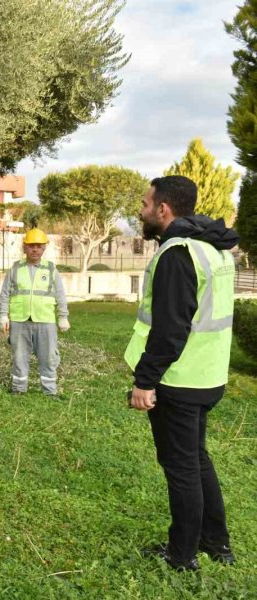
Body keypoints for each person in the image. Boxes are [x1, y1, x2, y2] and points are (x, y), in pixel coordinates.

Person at [127, 175, 238, 571]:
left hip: (181, 379)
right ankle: (215, 543)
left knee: (182, 468)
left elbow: (171, 328)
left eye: (144, 203)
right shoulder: (213, 247)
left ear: (163, 209)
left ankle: (182, 555)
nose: (140, 210)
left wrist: (144, 381)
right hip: (209, 376)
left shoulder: (177, 253)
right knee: (197, 459)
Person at [0, 228, 70, 395]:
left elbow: (60, 294)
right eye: (31, 246)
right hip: (19, 320)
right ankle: (19, 389)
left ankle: (49, 391)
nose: (35, 249)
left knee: (49, 358)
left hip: (45, 321)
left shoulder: (51, 269)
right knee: (19, 357)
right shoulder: (15, 269)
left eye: (39, 246)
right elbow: (5, 294)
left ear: (44, 248)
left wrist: (63, 317)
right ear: (25, 248)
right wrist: (3, 315)